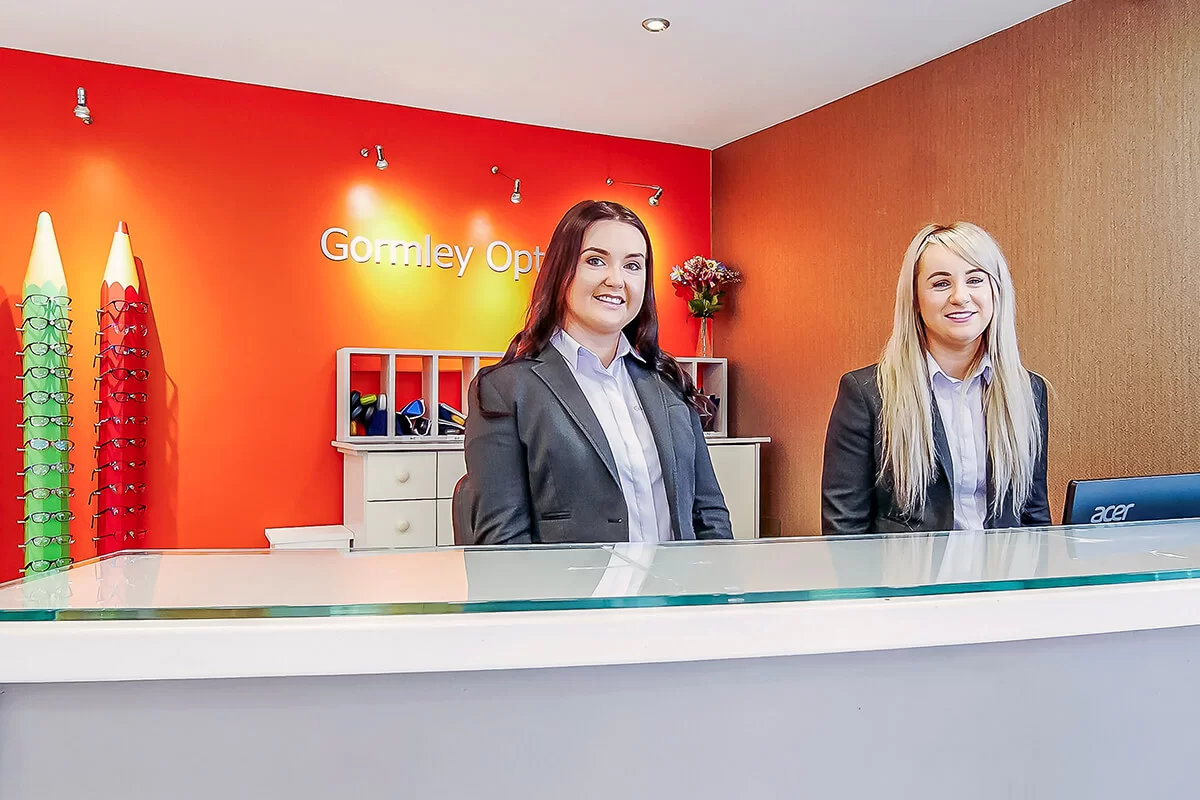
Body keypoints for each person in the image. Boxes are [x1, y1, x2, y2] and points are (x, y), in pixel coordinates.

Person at [463, 200, 732, 544]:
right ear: (562, 272)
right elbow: (504, 543)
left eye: (633, 265)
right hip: (574, 598)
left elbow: (709, 513)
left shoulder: (668, 380)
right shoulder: (505, 389)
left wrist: (714, 592)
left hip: (675, 594)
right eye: (595, 260)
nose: (616, 280)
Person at [821, 222, 1050, 535]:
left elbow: (1033, 517)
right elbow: (843, 528)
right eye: (941, 284)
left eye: (975, 280)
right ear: (916, 299)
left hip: (1002, 581)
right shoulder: (866, 393)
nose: (960, 297)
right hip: (909, 583)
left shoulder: (1027, 391)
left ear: (996, 292)